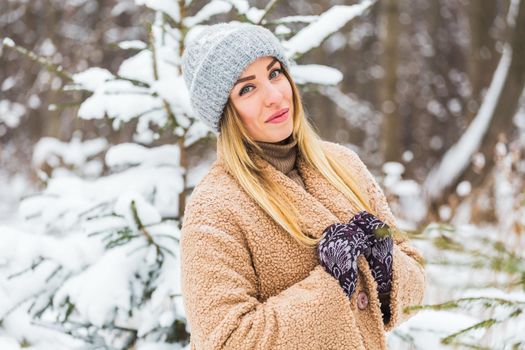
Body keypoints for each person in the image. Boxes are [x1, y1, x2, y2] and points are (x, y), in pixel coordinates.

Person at [180, 21, 426, 350]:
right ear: (226, 113)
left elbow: (415, 278)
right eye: (247, 89)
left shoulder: (342, 165)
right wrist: (333, 283)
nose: (274, 95)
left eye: (275, 73)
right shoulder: (214, 207)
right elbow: (226, 341)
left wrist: (384, 270)